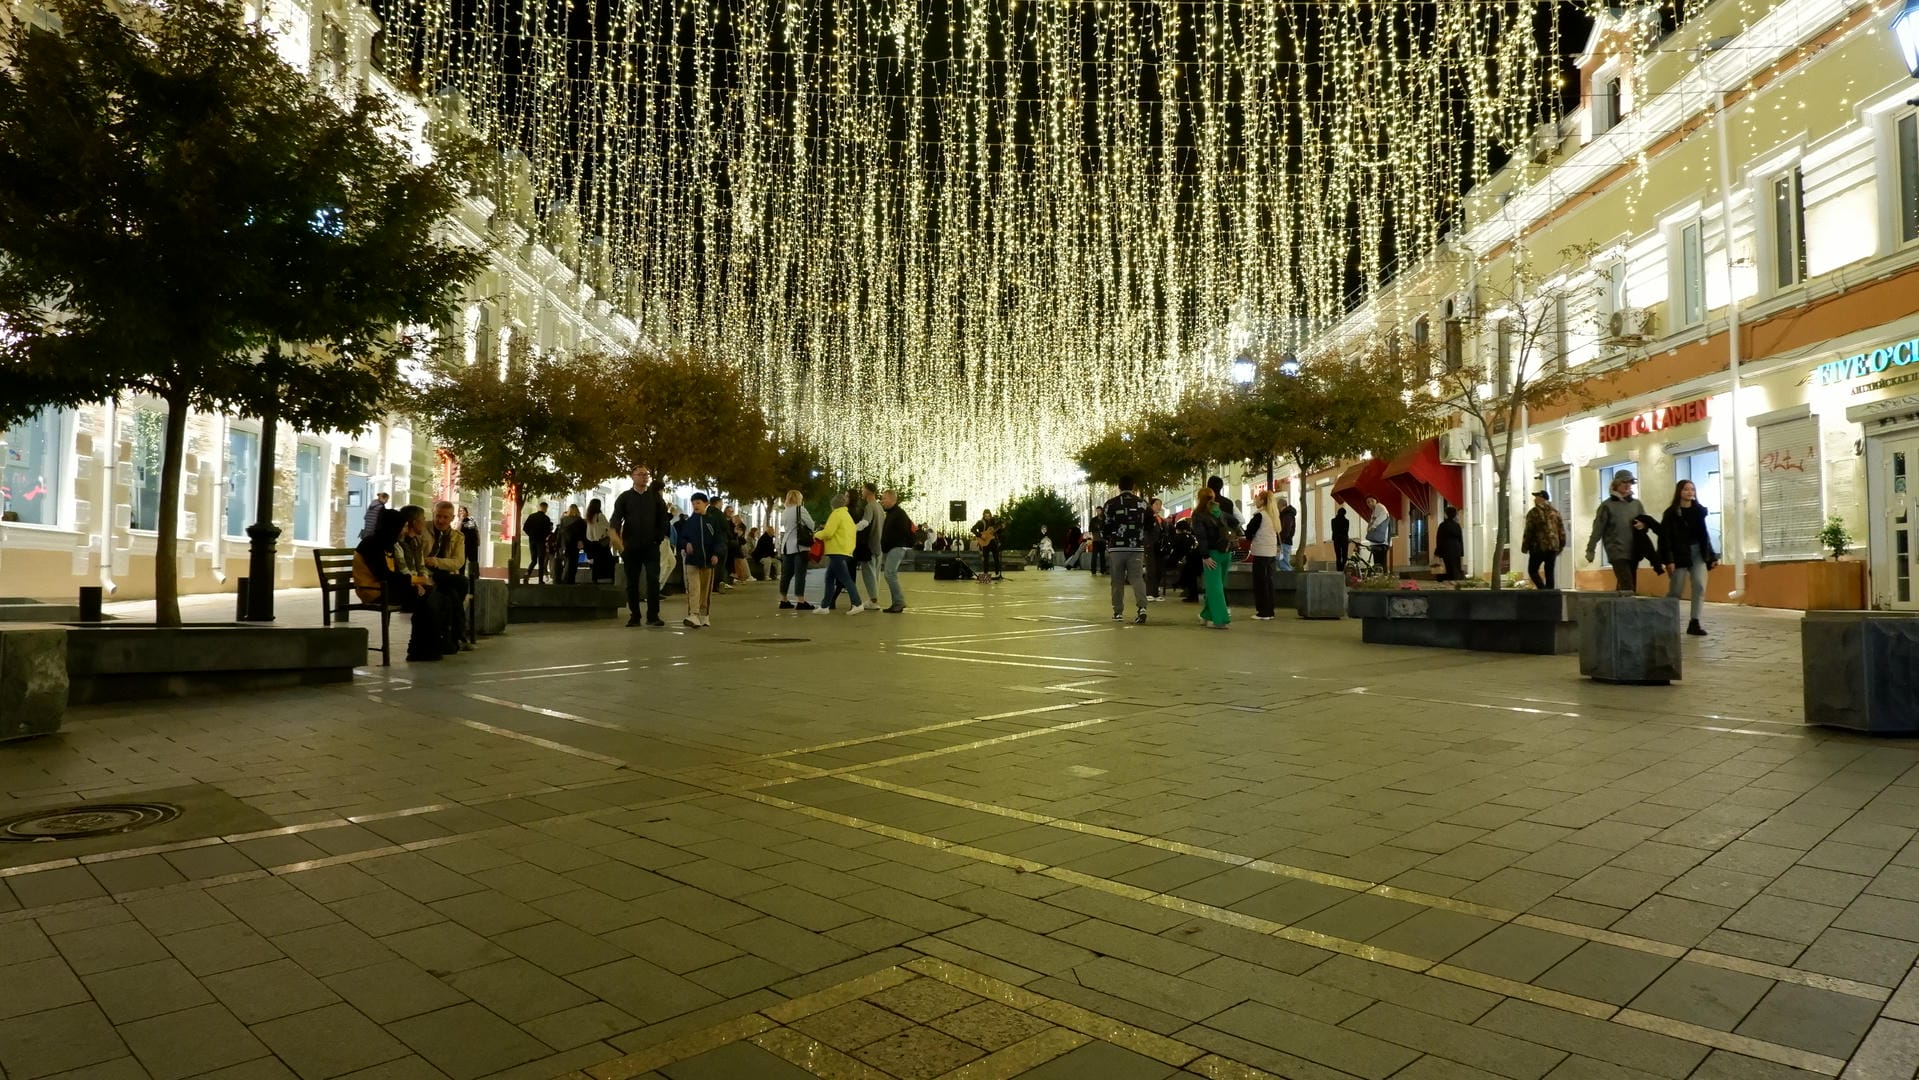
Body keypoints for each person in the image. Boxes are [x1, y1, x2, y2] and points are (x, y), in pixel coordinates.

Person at [354, 505, 445, 662]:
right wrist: (415, 581)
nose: (404, 531)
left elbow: (395, 573)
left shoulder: (386, 543)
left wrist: (414, 583)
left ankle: (424, 648)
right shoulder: (371, 544)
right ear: (392, 527)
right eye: (402, 527)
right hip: (374, 591)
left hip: (387, 588)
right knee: (426, 597)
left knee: (430, 596)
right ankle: (420, 649)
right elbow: (384, 575)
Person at [610, 466, 671, 627]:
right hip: (631, 547)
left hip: (651, 546)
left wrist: (658, 537)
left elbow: (663, 519)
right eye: (640, 474)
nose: (644, 477)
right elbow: (616, 518)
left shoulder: (655, 498)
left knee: (653, 580)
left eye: (646, 474)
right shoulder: (625, 497)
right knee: (632, 582)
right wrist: (616, 537)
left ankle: (653, 616)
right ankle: (634, 616)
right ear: (633, 477)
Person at [1659, 480, 1718, 636]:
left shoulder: (1698, 511)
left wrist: (1711, 555)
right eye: (1686, 489)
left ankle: (1695, 623)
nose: (1690, 492)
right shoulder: (1671, 513)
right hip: (1679, 554)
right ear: (1679, 492)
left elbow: (1704, 535)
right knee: (1676, 590)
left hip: (1698, 552)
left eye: (1692, 489)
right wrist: (1669, 560)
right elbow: (1665, 538)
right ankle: (1666, 619)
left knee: (1699, 585)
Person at [1586, 470, 1651, 592]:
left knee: (1627, 584)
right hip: (1616, 551)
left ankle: (1617, 608)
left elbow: (1646, 522)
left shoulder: (1636, 504)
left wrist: (1643, 525)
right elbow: (1598, 528)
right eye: (1624, 482)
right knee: (1628, 585)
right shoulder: (1607, 506)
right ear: (1616, 484)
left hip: (1633, 550)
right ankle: (1628, 609)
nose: (1627, 485)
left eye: (1630, 482)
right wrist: (1591, 549)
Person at [423, 500, 471, 653]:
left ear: (452, 518)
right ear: (433, 514)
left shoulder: (458, 537)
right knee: (460, 585)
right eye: (438, 516)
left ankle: (452, 638)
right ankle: (458, 636)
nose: (441, 520)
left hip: (444, 575)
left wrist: (436, 561)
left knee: (453, 594)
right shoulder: (423, 530)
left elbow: (458, 562)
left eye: (445, 517)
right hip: (426, 575)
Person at [1101, 476, 1149, 624]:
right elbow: (1150, 524)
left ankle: (1118, 612)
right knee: (1137, 578)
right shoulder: (1142, 503)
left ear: (1119, 486)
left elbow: (1105, 526)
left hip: (1117, 548)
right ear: (1133, 486)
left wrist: (1108, 538)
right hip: (1136, 547)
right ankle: (1142, 608)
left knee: (1117, 580)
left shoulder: (1111, 504)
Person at [674, 492, 721, 627]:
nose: (696, 505)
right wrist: (685, 544)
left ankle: (704, 614)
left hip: (708, 561)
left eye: (698, 503)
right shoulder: (689, 523)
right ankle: (693, 614)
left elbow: (719, 540)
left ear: (706, 504)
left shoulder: (712, 521)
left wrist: (716, 554)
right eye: (693, 503)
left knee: (705, 589)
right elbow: (681, 538)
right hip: (692, 561)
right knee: (694, 588)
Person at [816, 493, 864, 613]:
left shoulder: (836, 514)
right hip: (845, 551)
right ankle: (824, 606)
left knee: (845, 578)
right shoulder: (846, 515)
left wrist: (816, 535)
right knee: (829, 577)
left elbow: (828, 532)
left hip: (837, 550)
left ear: (833, 505)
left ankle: (857, 603)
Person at [1191, 487, 1231, 628]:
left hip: (1212, 554)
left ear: (1199, 499)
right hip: (1226, 552)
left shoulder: (1198, 515)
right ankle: (1206, 615)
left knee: (1214, 588)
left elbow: (1202, 538)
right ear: (1213, 498)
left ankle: (1219, 619)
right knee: (1218, 585)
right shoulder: (1221, 512)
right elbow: (1237, 522)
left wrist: (1205, 556)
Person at [778, 489, 817, 611]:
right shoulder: (800, 510)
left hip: (786, 547)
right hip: (799, 546)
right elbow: (811, 525)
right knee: (800, 574)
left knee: (786, 574)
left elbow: (784, 525)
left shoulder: (784, 512)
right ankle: (801, 600)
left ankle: (783, 599)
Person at [879, 489, 914, 613]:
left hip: (896, 547)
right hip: (892, 547)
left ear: (893, 499)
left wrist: (890, 543)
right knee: (890, 574)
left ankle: (899, 602)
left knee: (890, 574)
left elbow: (902, 532)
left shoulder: (898, 514)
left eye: (884, 498)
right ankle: (896, 603)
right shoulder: (892, 513)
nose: (882, 501)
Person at [1521, 490, 1565, 589]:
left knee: (1532, 570)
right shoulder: (1555, 512)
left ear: (1541, 498)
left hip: (1538, 547)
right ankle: (1550, 595)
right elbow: (1561, 531)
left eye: (1536, 497)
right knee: (1549, 572)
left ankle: (1542, 590)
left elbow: (1529, 531)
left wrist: (1525, 547)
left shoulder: (1533, 513)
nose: (1534, 499)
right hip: (1553, 547)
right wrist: (1561, 546)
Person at [1245, 489, 1279, 620]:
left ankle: (1263, 612)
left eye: (1257, 498)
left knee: (1260, 582)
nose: (1255, 500)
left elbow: (1249, 532)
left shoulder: (1260, 515)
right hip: (1271, 552)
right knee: (1269, 581)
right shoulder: (1273, 516)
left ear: (1262, 501)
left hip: (1261, 552)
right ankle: (1270, 610)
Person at [855, 483, 884, 601]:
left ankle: (873, 600)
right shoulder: (880, 507)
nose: (861, 492)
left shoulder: (869, 507)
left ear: (868, 491)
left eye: (863, 490)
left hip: (870, 545)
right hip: (879, 545)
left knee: (868, 574)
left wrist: (850, 528)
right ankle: (875, 598)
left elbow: (865, 522)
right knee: (876, 574)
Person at [522, 502, 554, 584]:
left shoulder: (532, 516)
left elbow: (525, 528)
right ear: (546, 508)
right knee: (541, 560)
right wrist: (543, 537)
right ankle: (540, 580)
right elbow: (548, 531)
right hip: (541, 541)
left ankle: (527, 575)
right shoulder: (546, 519)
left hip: (532, 540)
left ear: (539, 507)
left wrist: (531, 535)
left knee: (533, 560)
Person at [583, 498, 612, 583]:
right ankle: (606, 578)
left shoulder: (589, 517)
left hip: (593, 542)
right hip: (602, 542)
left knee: (596, 561)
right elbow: (608, 527)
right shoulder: (600, 516)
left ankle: (595, 578)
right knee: (607, 560)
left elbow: (588, 534)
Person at [557, 504, 586, 584]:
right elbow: (583, 533)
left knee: (567, 562)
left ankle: (564, 579)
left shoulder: (563, 519)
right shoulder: (579, 520)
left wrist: (558, 545)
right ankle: (570, 579)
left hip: (565, 544)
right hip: (574, 544)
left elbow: (559, 533)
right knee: (573, 563)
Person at [972, 509, 1004, 580]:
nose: (987, 517)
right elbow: (973, 529)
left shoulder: (993, 522)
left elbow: (997, 532)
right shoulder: (980, 523)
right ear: (983, 515)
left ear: (990, 515)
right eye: (986, 516)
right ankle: (985, 574)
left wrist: (1002, 528)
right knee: (986, 559)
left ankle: (997, 573)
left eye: (988, 516)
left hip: (992, 541)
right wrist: (980, 535)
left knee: (996, 557)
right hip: (984, 542)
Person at [1435, 506, 1465, 582]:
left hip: (1446, 548)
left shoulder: (1443, 525)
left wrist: (1438, 551)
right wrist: (1461, 551)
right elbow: (1460, 539)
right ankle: (1456, 579)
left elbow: (1439, 539)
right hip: (1457, 548)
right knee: (1456, 565)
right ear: (1455, 515)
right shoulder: (1457, 526)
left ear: (1446, 514)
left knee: (1449, 566)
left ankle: (1451, 579)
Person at [1364, 496, 1393, 573]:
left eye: (1372, 501)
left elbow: (1382, 516)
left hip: (1382, 541)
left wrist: (1372, 527)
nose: (1370, 503)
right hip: (1377, 541)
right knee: (1378, 562)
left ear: (1376, 500)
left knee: (1381, 562)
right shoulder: (1374, 511)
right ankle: (1379, 579)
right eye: (1368, 502)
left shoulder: (1380, 507)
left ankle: (1383, 579)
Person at [1144, 498, 1165, 600]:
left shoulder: (1160, 519)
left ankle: (1155, 593)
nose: (1159, 506)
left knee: (1157, 569)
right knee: (1151, 569)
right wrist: (1147, 543)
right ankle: (1149, 593)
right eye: (1156, 504)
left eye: (1160, 504)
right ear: (1151, 505)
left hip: (1158, 547)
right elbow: (1146, 531)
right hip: (1150, 546)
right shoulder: (1148, 517)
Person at [458, 508, 481, 588]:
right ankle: (461, 579)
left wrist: (478, 539)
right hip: (463, 545)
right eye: (460, 511)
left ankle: (474, 579)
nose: (462, 512)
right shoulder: (458, 521)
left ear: (467, 512)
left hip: (472, 544)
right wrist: (461, 520)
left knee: (473, 562)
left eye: (463, 510)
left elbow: (475, 530)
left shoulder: (471, 520)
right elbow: (458, 531)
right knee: (462, 562)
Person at [1276, 497, 1297, 572]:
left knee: (1283, 564)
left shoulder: (1287, 515)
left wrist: (1279, 540)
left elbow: (1286, 530)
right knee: (1281, 563)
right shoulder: (1287, 514)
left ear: (1280, 505)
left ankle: (1288, 582)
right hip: (1284, 542)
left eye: (1277, 506)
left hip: (1284, 543)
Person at [1332, 506, 1351, 573]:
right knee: (1344, 555)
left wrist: (1337, 535)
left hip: (1336, 539)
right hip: (1344, 540)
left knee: (1338, 556)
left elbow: (1334, 530)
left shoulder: (1333, 521)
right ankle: (1343, 569)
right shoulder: (1346, 521)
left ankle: (1339, 570)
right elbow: (1346, 531)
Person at [1088, 508, 1107, 575]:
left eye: (1099, 511)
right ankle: (1093, 570)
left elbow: (1107, 528)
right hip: (1096, 539)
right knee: (1094, 555)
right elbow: (1090, 529)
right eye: (1097, 511)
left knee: (1102, 555)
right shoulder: (1093, 520)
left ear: (1102, 511)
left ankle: (1103, 570)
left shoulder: (1105, 519)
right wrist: (1090, 538)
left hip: (1102, 540)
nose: (1098, 512)